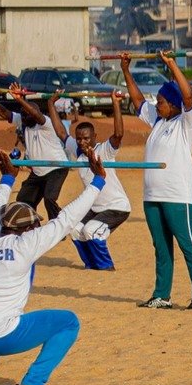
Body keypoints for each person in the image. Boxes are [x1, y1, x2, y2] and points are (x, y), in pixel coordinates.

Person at [0, 148, 109, 385]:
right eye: (35, 224)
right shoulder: (25, 244)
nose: (38, 227)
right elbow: (66, 220)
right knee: (68, 322)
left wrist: (7, 178)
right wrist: (98, 181)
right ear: (27, 228)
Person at [120, 55, 192, 310]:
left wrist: (172, 66)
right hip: (152, 195)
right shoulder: (158, 121)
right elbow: (137, 101)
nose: (156, 105)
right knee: (161, 247)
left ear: (173, 104)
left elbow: (189, 97)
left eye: (160, 101)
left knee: (188, 244)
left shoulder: (186, 122)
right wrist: (126, 70)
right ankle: (162, 295)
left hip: (177, 195)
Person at [55, 101, 130, 270]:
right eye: (79, 138)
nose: (82, 142)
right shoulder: (78, 150)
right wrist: (51, 104)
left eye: (86, 138)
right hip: (96, 208)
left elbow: (118, 134)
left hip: (116, 207)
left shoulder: (105, 151)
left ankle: (106, 266)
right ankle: (91, 264)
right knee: (74, 228)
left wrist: (115, 104)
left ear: (95, 137)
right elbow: (61, 132)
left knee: (90, 230)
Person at [0, 87, 68, 216]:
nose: (23, 117)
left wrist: (19, 99)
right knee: (23, 200)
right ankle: (31, 226)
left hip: (57, 168)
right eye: (22, 114)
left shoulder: (46, 123)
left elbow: (34, 113)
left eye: (26, 113)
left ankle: (58, 225)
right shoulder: (23, 121)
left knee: (50, 199)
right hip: (38, 171)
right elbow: (4, 113)